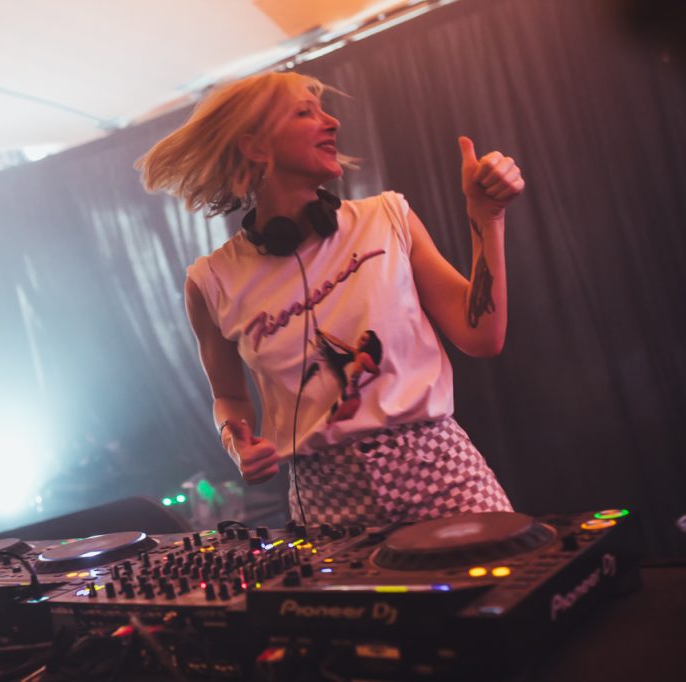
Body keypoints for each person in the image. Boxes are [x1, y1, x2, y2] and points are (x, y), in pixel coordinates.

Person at [137, 71, 524, 527]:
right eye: (305, 112)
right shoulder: (211, 281)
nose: (332, 122)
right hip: (327, 503)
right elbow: (228, 396)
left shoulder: (388, 217)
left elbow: (482, 336)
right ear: (255, 147)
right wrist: (235, 442)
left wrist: (487, 216)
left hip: (441, 474)